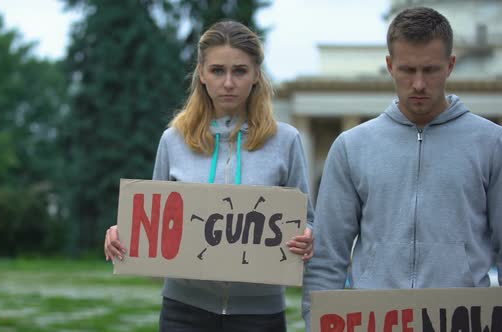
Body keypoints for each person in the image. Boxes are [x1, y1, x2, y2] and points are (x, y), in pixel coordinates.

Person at [104, 20, 315, 332]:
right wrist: (126, 233)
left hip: (261, 313)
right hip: (184, 311)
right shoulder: (173, 140)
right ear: (201, 73)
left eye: (239, 71)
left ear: (256, 74)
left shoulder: (286, 141)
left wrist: (309, 237)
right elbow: (158, 220)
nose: (228, 82)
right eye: (218, 70)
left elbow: (307, 221)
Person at [302, 6, 502, 330]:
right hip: (375, 321)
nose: (419, 84)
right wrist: (316, 322)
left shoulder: (492, 143)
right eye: (407, 70)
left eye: (431, 70)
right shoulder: (352, 146)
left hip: (462, 320)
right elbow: (328, 256)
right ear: (389, 66)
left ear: (450, 66)